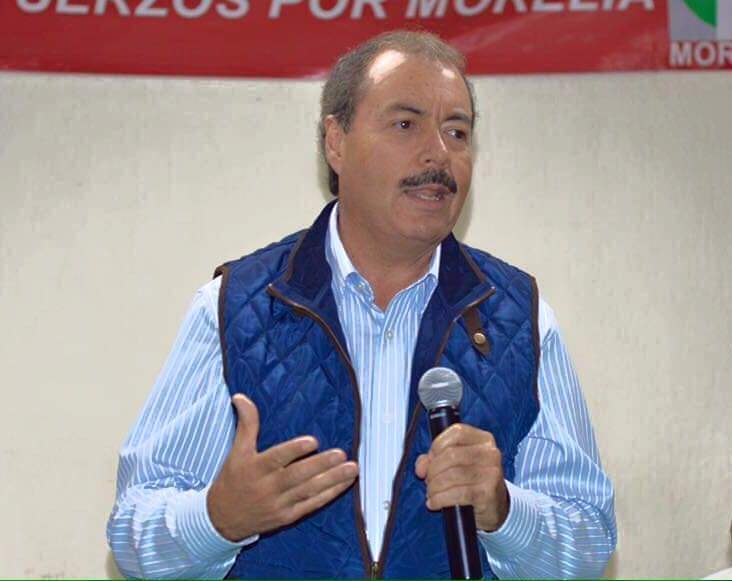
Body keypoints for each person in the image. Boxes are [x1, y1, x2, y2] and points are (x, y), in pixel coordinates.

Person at [107, 30, 616, 579]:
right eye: (406, 124)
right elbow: (134, 534)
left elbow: (589, 543)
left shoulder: (520, 318)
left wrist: (505, 511)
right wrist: (218, 519)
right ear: (336, 142)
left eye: (457, 131)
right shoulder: (235, 308)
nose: (438, 153)